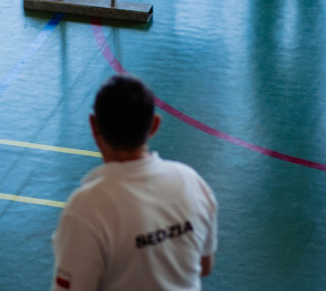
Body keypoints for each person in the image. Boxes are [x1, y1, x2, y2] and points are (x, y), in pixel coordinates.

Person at [51, 75, 218, 291]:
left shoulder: (86, 208)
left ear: (93, 125)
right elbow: (204, 266)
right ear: (154, 125)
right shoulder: (192, 181)